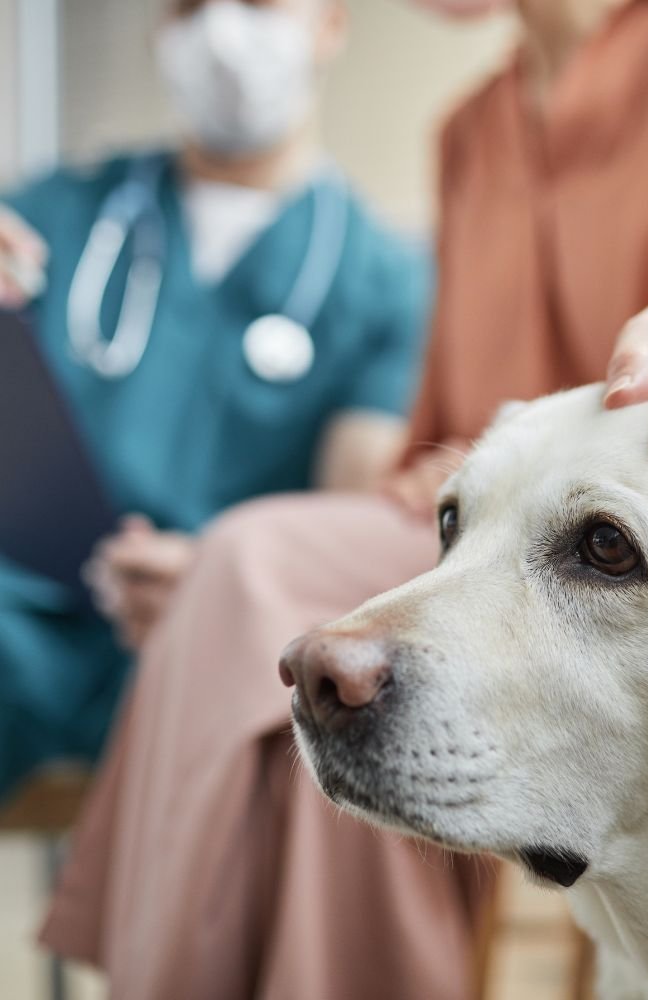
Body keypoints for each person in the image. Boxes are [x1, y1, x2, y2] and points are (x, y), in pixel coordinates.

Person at [41, 1, 648, 998]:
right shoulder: (469, 130)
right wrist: (265, 565)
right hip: (472, 525)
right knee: (246, 586)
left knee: (254, 573)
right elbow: (443, 443)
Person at [0, 0, 429, 798]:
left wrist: (218, 587)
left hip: (223, 649)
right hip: (23, 634)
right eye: (190, 6)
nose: (222, 32)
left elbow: (345, 524)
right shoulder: (57, 216)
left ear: (330, 22)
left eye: (259, 3)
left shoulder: (385, 283)